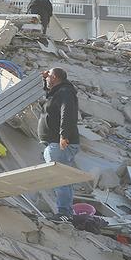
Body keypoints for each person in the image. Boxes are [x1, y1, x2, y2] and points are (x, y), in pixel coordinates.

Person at [38, 67, 80, 218]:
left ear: (54, 77)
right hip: (56, 143)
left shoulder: (65, 93)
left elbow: (67, 113)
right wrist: (44, 80)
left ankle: (64, 213)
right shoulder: (59, 91)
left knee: (59, 178)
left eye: (48, 75)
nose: (46, 77)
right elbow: (49, 95)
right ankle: (66, 212)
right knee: (62, 178)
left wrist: (64, 135)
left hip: (60, 143)